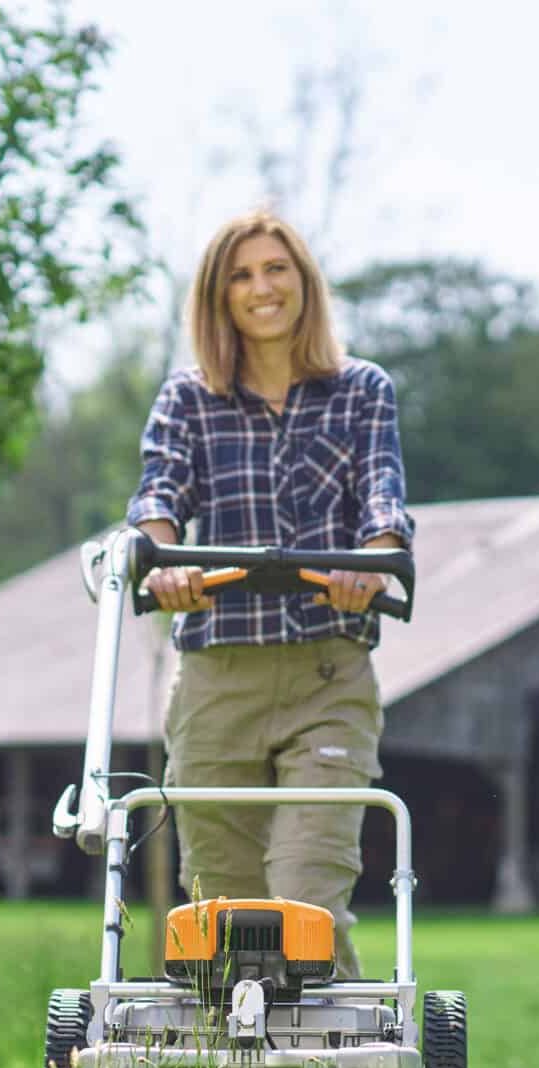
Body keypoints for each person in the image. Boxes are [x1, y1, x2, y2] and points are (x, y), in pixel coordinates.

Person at [126, 208, 413, 979]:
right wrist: (164, 561)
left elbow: (384, 505)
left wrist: (371, 564)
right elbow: (159, 491)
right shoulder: (189, 399)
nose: (262, 287)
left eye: (276, 269)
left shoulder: (360, 392)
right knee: (221, 906)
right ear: (219, 298)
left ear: (304, 281)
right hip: (218, 679)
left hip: (328, 673)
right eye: (243, 275)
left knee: (304, 895)